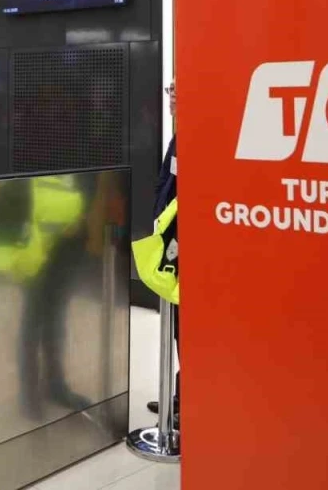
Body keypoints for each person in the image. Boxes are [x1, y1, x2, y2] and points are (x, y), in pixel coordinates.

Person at [147, 80, 179, 419]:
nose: (172, 97)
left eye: (178, 90)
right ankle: (181, 398)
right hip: (169, 239)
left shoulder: (203, 138)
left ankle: (188, 399)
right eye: (170, 90)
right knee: (178, 325)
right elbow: (165, 184)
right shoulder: (177, 139)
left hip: (186, 244)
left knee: (187, 327)